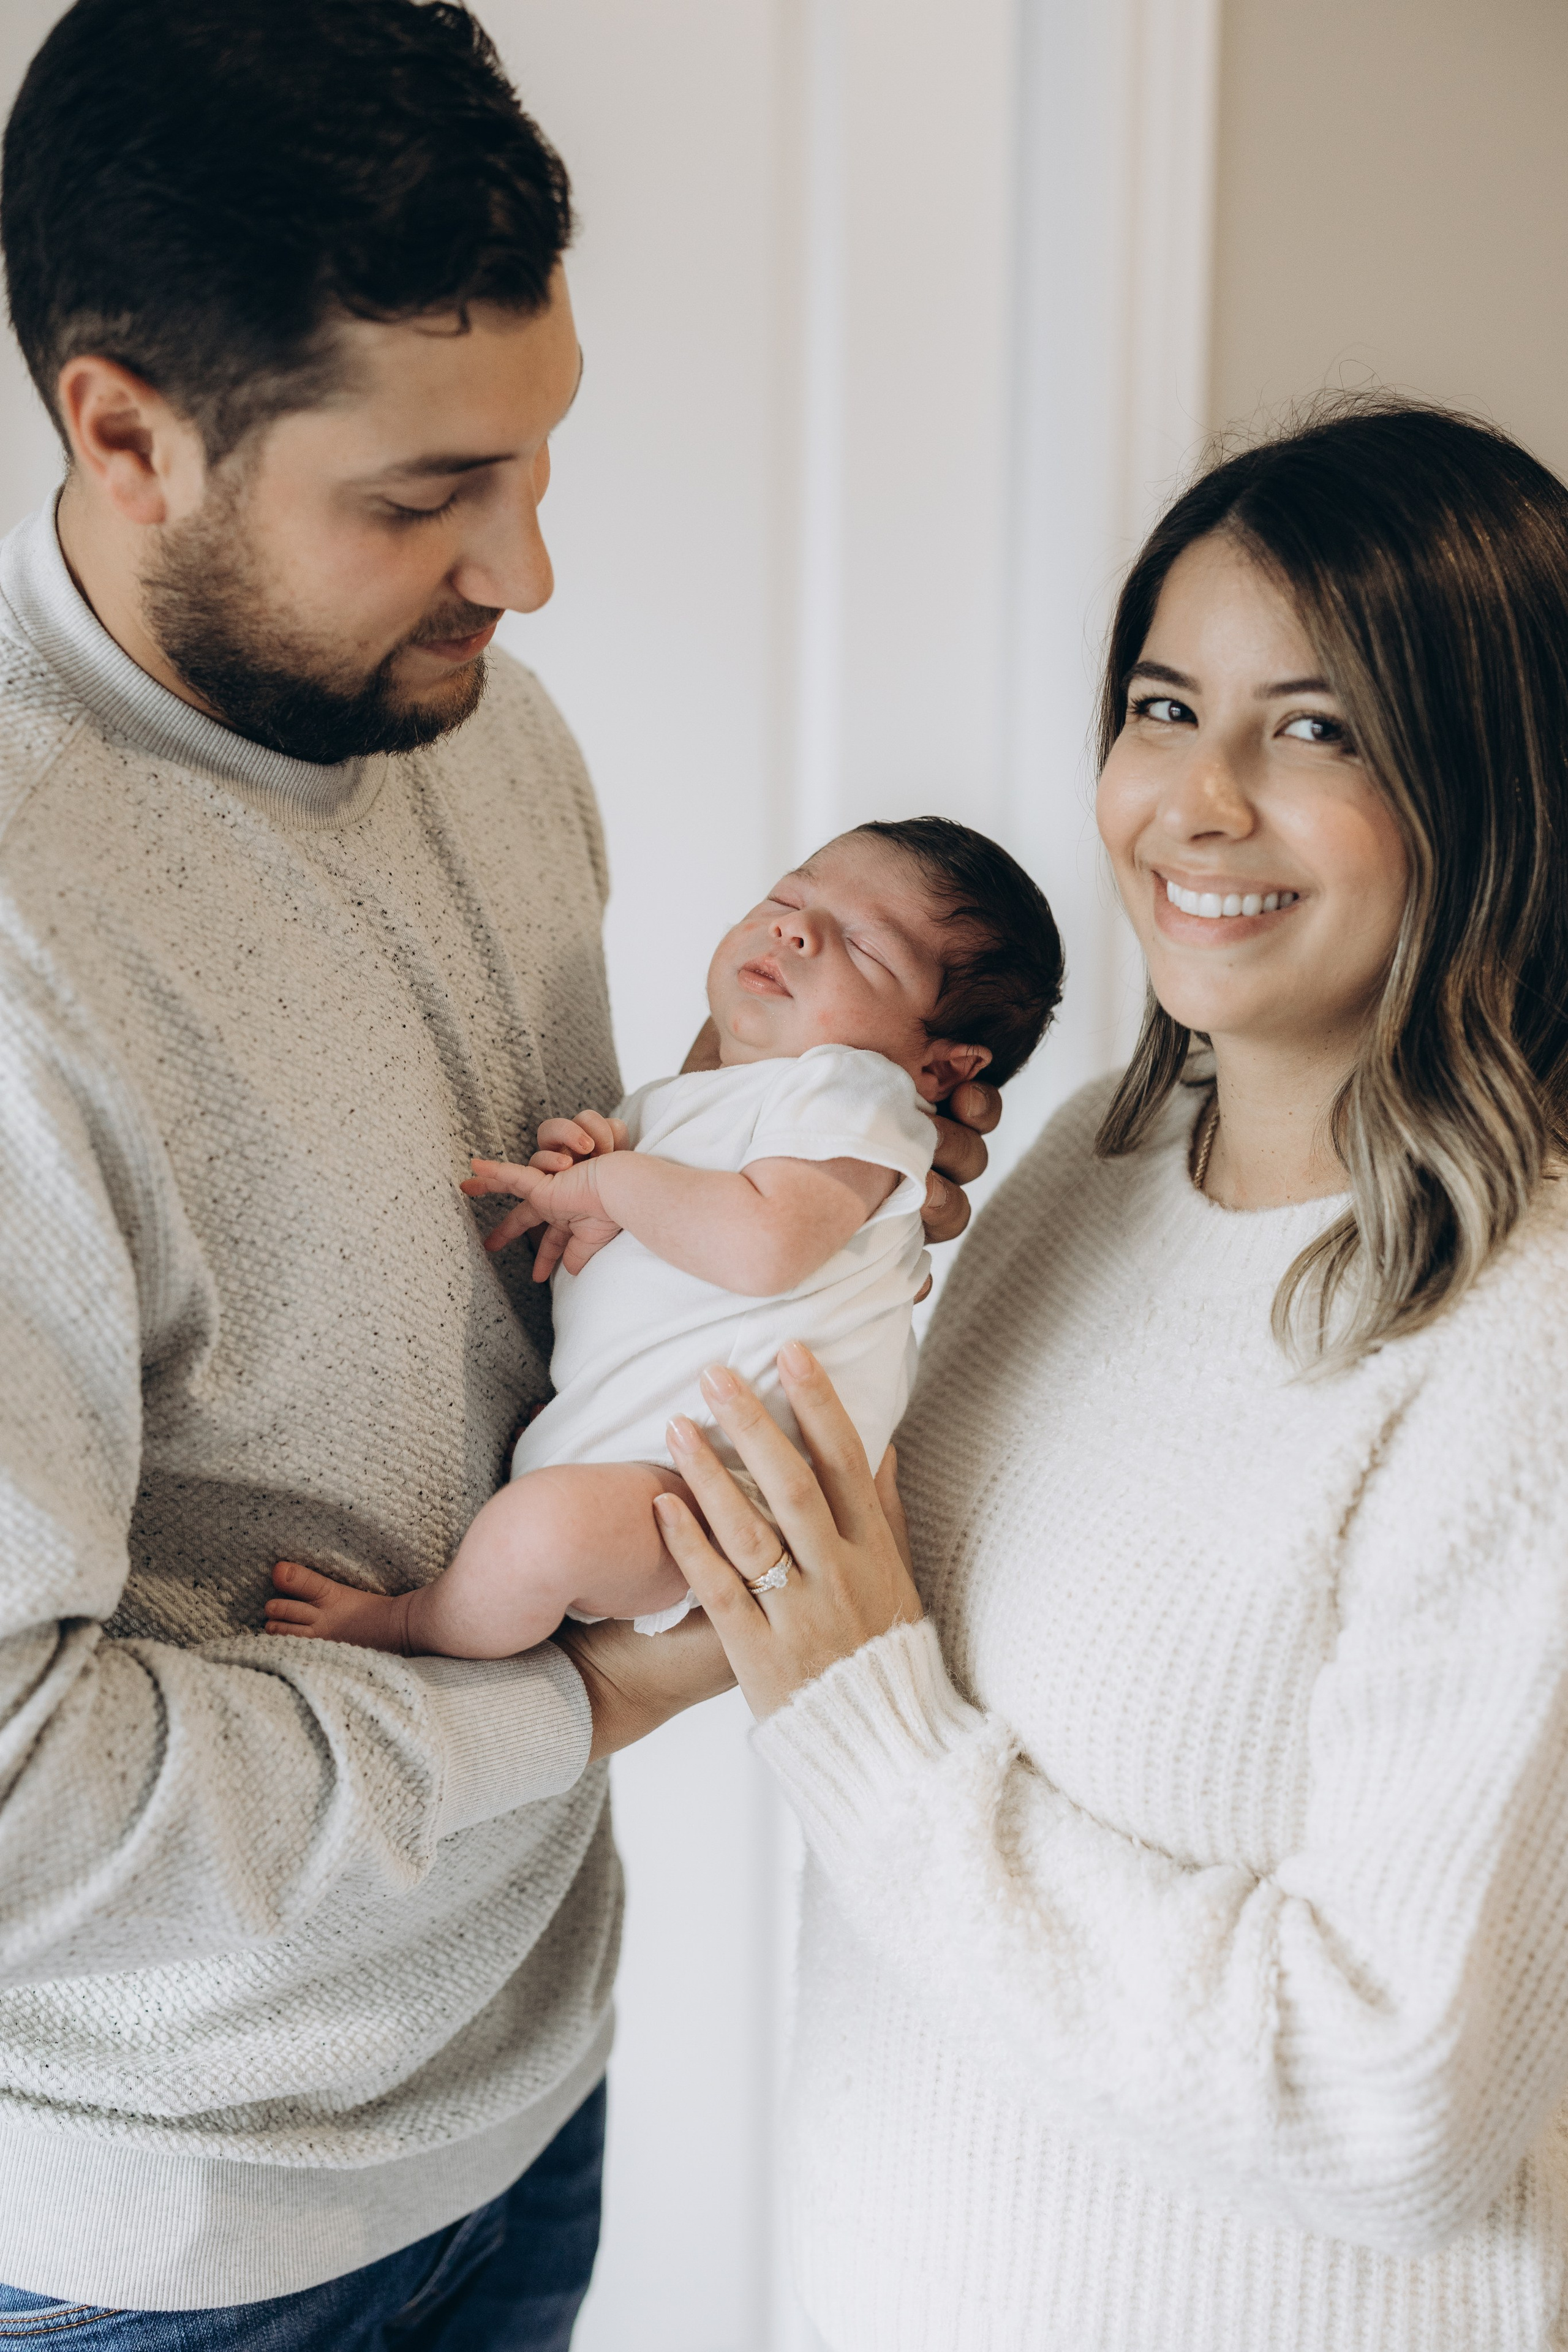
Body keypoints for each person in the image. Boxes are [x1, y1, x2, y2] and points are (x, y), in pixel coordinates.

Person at [0, 4, 997, 2345]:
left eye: (537, 463)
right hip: (175, 2243)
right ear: (125, 434)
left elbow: (447, 1226)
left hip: (524, 2070)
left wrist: (784, 1153)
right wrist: (586, 1708)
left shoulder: (465, 716)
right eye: (426, 495)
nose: (525, 574)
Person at [651, 399, 1568, 2352]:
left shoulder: (1528, 1346)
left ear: (1506, 786)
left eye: (1315, 730)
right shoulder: (1084, 1170)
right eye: (1164, 707)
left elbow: (1387, 2098)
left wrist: (868, 1725)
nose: (1196, 801)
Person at [262, 819, 1061, 1656]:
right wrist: (599, 1171)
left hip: (733, 1493)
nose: (793, 928)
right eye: (788, 897)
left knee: (535, 1537)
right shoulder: (679, 1102)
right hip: (650, 1456)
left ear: (938, 1068)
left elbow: (761, 1247)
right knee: (541, 1521)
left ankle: (413, 1622)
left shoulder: (856, 1090)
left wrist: (613, 1182)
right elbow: (677, 1252)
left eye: (863, 947)